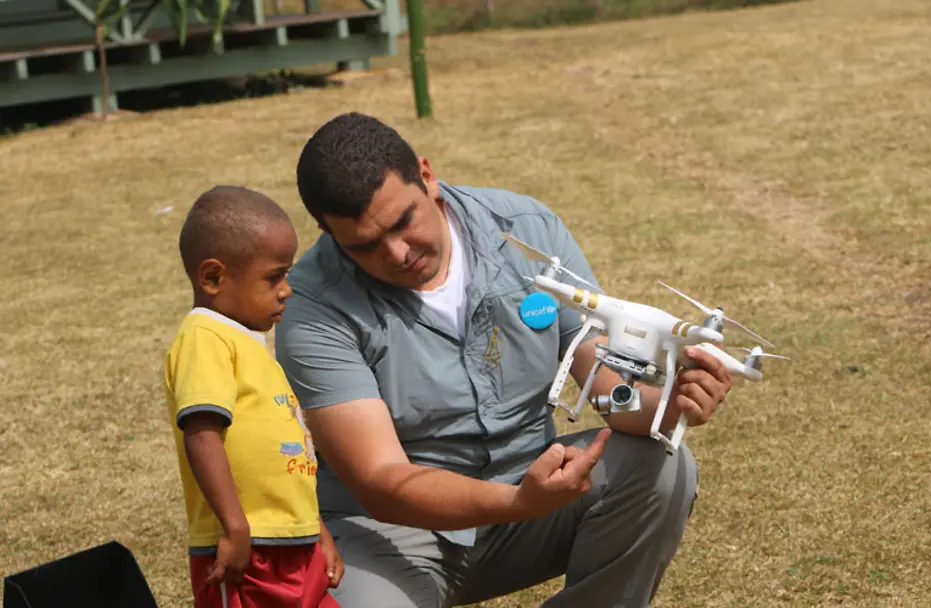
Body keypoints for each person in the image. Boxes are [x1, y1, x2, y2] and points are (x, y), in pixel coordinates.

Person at [275, 112, 733, 607]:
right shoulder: (311, 308)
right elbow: (383, 481)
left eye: (403, 222)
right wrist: (517, 502)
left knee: (663, 464)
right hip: (391, 531)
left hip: (532, 494)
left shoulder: (526, 231)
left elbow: (604, 385)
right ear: (326, 232)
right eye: (364, 246)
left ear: (427, 177)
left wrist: (670, 407)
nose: (399, 252)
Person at [164, 185, 345, 608]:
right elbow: (202, 434)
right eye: (273, 276)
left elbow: (280, 464)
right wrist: (234, 527)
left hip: (293, 544)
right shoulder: (204, 338)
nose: (286, 289)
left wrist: (315, 530)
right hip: (250, 552)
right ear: (213, 277)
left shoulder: (252, 345)